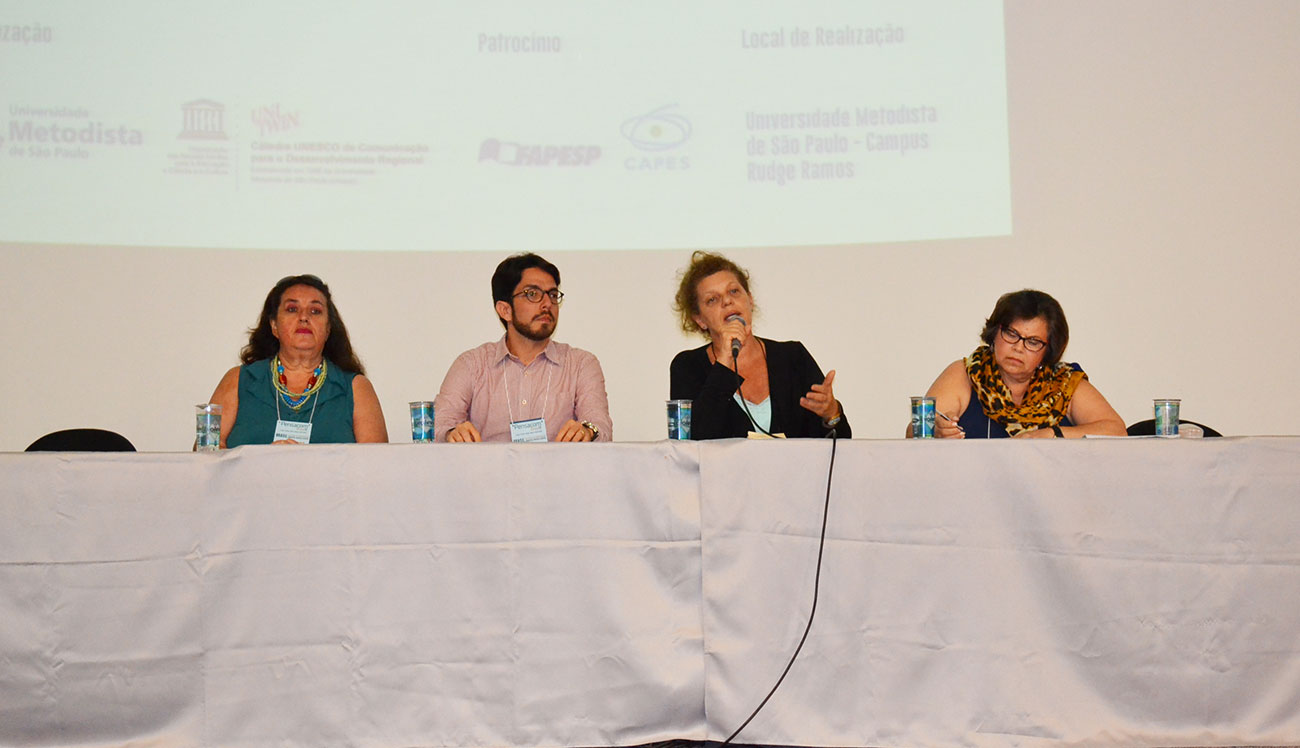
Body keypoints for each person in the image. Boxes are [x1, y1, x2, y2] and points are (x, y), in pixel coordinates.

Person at [433, 253, 612, 443]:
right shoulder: (472, 365)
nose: (547, 304)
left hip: (559, 463)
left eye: (552, 295)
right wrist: (451, 434)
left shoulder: (581, 364)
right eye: (532, 294)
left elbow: (601, 427)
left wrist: (588, 431)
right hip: (490, 464)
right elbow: (440, 425)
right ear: (505, 310)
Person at [669, 251, 848, 439]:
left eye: (734, 291)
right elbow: (691, 442)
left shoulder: (793, 357)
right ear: (700, 320)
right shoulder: (687, 367)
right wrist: (724, 362)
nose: (727, 301)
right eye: (712, 299)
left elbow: (840, 443)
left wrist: (831, 413)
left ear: (750, 300)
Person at [914, 289, 1126, 439]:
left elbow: (1116, 431)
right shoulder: (967, 372)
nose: (1018, 347)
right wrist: (937, 430)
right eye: (1011, 334)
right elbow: (916, 431)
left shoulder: (1063, 383)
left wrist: (1051, 434)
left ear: (1048, 351)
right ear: (995, 333)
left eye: (1032, 342)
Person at [206, 274, 388, 447]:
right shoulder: (238, 380)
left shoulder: (356, 387)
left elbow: (375, 462)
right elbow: (205, 451)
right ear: (274, 326)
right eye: (292, 309)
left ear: (328, 329)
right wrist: (261, 460)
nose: (304, 317)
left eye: (315, 311)